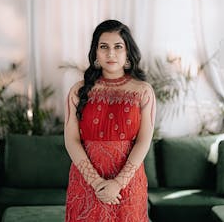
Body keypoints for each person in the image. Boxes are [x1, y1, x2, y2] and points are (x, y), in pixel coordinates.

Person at [64, 19, 156, 221]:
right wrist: (97, 183)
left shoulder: (143, 91)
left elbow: (144, 141)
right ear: (95, 53)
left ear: (127, 53)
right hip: (86, 183)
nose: (111, 53)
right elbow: (71, 141)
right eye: (103, 47)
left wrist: (118, 184)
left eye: (118, 47)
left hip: (127, 184)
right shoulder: (78, 91)